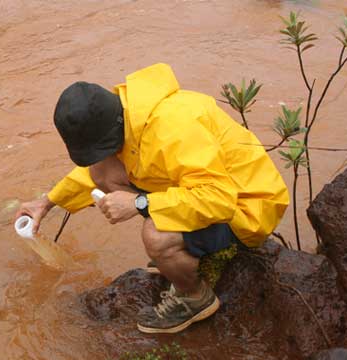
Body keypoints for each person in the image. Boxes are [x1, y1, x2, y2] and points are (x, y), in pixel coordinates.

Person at [16, 63, 289, 334]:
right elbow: (92, 174)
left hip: (247, 205)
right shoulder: (129, 116)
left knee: (156, 235)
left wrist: (139, 204)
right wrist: (47, 202)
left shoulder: (174, 128)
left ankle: (194, 297)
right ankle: (183, 253)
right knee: (103, 169)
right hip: (210, 192)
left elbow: (219, 199)